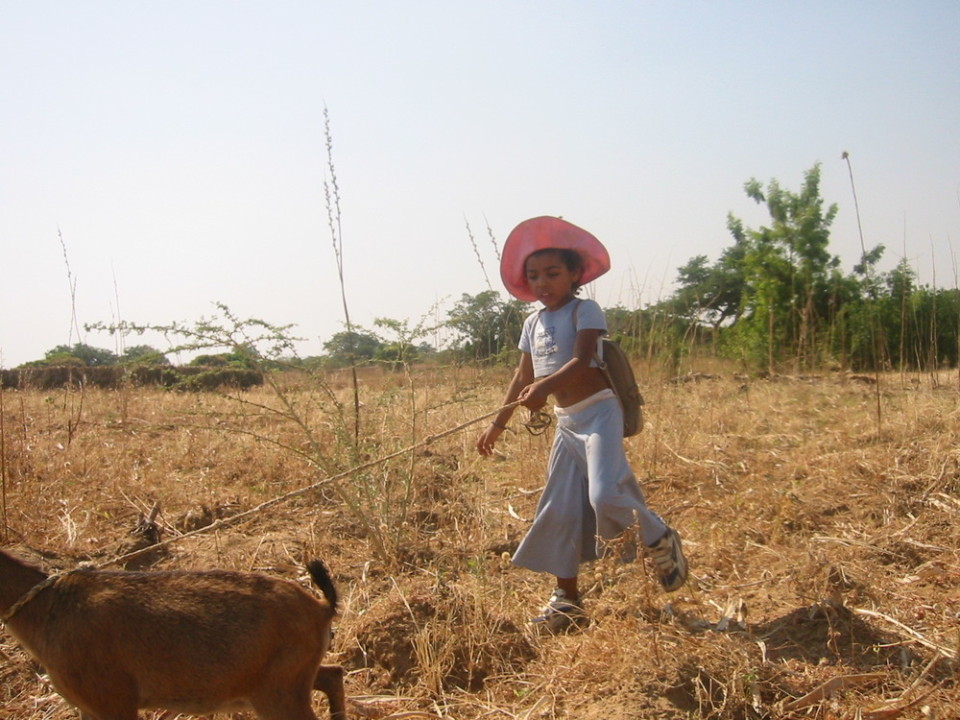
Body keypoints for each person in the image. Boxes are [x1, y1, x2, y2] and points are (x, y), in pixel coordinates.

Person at [476, 216, 688, 632]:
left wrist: (543, 387)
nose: (542, 283)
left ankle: (660, 536)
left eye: (553, 274)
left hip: (598, 414)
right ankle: (567, 600)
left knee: (606, 495)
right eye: (534, 276)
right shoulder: (531, 324)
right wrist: (497, 425)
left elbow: (580, 359)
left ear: (575, 275)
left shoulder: (585, 310)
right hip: (566, 423)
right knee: (558, 509)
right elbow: (522, 378)